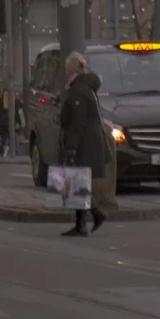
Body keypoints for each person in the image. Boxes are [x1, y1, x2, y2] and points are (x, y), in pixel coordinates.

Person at [58, 50, 115, 235]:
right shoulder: (86, 88)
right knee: (78, 182)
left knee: (75, 183)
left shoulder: (78, 91)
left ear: (70, 69)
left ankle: (96, 213)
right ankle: (81, 224)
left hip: (84, 143)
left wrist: (71, 147)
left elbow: (77, 122)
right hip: (91, 140)